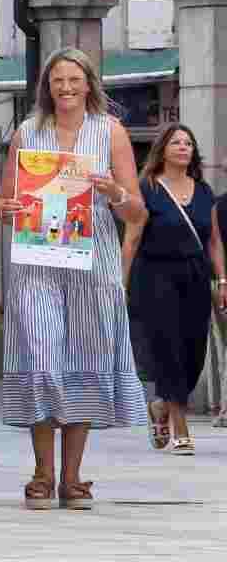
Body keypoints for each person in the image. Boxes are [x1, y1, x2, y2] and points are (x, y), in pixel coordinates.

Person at [0, 47, 148, 510]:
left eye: (73, 80)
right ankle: (42, 472)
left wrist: (114, 191)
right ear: (47, 86)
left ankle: (73, 477)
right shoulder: (28, 131)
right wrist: (6, 207)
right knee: (41, 356)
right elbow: (4, 202)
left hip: (91, 261)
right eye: (57, 81)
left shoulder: (111, 131)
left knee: (82, 359)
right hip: (37, 263)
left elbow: (137, 210)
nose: (65, 88)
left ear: (88, 84)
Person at [122, 124, 224, 456]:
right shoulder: (147, 187)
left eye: (188, 143)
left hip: (195, 277)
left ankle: (161, 407)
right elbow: (132, 237)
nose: (183, 147)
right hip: (155, 276)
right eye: (176, 142)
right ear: (162, 149)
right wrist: (120, 282)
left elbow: (214, 241)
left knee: (194, 352)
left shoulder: (204, 191)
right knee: (169, 349)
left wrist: (222, 280)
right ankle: (181, 429)